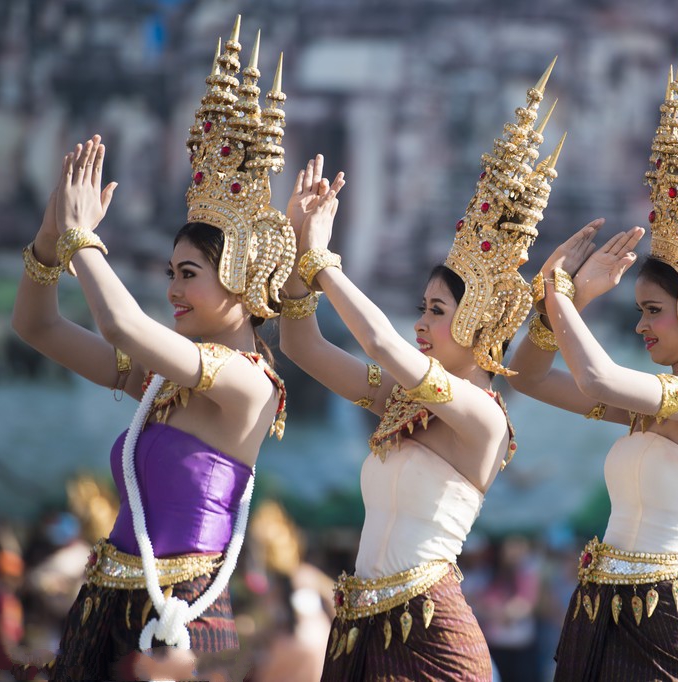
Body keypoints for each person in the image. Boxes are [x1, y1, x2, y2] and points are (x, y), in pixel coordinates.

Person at [11, 18, 292, 680]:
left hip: (181, 617)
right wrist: (49, 245)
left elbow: (119, 324)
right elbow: (38, 327)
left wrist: (82, 239)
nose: (172, 289)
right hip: (105, 605)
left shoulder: (248, 385)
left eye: (187, 274)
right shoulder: (161, 381)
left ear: (241, 276)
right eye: (170, 273)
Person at [279, 62, 562, 681]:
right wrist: (302, 259)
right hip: (358, 632)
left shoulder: (482, 417)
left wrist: (324, 260)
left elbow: (380, 342)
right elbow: (302, 346)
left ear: (479, 317)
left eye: (437, 311)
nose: (421, 324)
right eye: (422, 308)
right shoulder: (400, 401)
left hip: (431, 635)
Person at [507, 56, 678, 681]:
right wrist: (561, 305)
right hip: (601, 618)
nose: (642, 326)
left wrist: (561, 295)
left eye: (652, 311)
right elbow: (526, 377)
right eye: (639, 311)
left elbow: (597, 380)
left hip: (671, 625)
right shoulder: (645, 405)